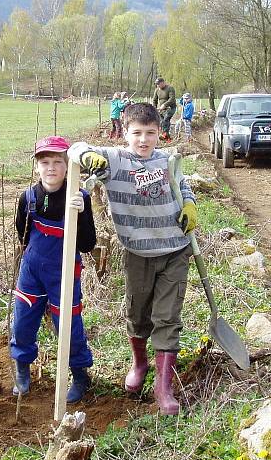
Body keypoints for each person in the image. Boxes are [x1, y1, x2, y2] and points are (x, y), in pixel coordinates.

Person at [68, 103, 197, 415]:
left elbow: (183, 186)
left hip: (175, 250)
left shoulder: (167, 160)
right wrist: (86, 156)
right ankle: (140, 364)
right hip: (138, 254)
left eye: (150, 133)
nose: (143, 139)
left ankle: (163, 387)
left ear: (158, 134)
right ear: (124, 133)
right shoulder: (113, 160)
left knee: (167, 318)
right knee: (137, 315)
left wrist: (190, 205)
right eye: (136, 133)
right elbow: (74, 149)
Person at [10, 136, 97, 403]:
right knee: (23, 322)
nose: (51, 168)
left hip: (64, 273)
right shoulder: (28, 198)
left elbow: (87, 243)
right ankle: (22, 369)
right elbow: (22, 232)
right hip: (32, 271)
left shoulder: (78, 197)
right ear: (37, 166)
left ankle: (80, 374)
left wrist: (80, 214)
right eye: (45, 162)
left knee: (68, 326)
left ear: (68, 164)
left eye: (57, 162)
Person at [152, 77, 177, 141]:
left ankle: (164, 134)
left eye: (158, 84)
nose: (157, 85)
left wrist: (165, 105)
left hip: (170, 108)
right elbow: (154, 100)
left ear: (163, 83)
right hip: (161, 109)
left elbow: (172, 99)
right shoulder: (157, 90)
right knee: (161, 121)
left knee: (166, 119)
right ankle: (167, 137)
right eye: (156, 84)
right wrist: (154, 108)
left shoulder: (170, 88)